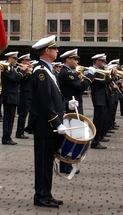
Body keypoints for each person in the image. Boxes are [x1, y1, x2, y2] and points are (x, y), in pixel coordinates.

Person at [24, 35, 78, 208]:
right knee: (43, 162)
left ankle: (46, 194)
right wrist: (57, 122)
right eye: (55, 49)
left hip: (48, 124)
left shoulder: (47, 70)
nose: (57, 51)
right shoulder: (41, 71)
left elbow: (53, 97)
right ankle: (40, 196)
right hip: (44, 124)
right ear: (47, 51)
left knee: (47, 161)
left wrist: (66, 104)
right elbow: (44, 100)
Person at [57, 48, 94, 174]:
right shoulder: (66, 73)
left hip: (73, 105)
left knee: (72, 136)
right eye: (74, 59)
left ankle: (67, 163)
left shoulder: (69, 71)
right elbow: (80, 87)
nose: (77, 62)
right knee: (69, 137)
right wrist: (90, 76)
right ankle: (65, 165)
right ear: (68, 60)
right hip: (69, 107)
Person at [1, 51, 26, 145]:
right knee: (8, 118)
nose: (16, 60)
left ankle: (8, 136)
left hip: (13, 96)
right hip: (9, 96)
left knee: (11, 119)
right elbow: (15, 79)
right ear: (8, 59)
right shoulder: (6, 68)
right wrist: (22, 71)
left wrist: (23, 72)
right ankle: (6, 137)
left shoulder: (13, 69)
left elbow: (19, 80)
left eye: (16, 59)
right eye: (14, 58)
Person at [90, 54, 110, 149]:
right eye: (101, 61)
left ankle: (98, 138)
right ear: (96, 61)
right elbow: (104, 82)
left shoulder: (100, 70)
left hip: (102, 97)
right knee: (98, 120)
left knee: (101, 120)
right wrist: (111, 74)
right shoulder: (93, 71)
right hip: (98, 98)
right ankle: (94, 141)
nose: (103, 63)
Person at [16, 54, 33, 139]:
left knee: (26, 114)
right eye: (26, 61)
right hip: (24, 94)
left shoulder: (29, 69)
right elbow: (21, 79)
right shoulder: (20, 69)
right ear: (22, 61)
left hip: (30, 94)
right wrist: (25, 71)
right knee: (22, 115)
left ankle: (23, 130)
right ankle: (19, 132)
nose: (28, 62)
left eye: (28, 61)